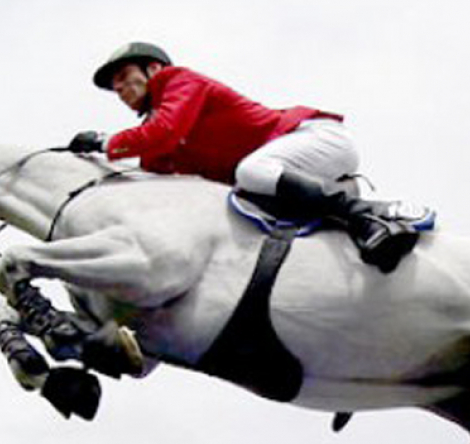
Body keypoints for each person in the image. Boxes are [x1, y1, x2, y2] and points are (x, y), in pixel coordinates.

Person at [69, 42, 433, 273]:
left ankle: (368, 218)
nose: (117, 88)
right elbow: (153, 182)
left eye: (122, 76)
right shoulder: (161, 139)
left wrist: (105, 142)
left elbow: (163, 132)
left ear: (153, 69)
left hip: (317, 138)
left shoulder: (178, 81)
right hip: (282, 172)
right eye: (113, 85)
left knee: (251, 171)